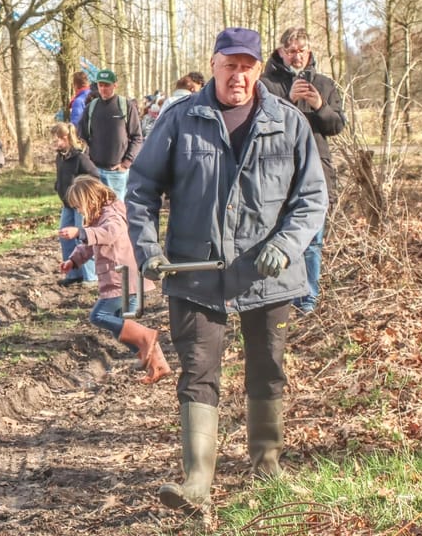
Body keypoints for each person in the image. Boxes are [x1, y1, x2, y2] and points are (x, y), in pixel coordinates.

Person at [126, 27, 327, 513]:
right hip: (195, 273)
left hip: (268, 273)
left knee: (268, 368)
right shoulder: (179, 120)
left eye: (247, 66)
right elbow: (141, 190)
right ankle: (197, 478)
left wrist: (286, 244)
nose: (238, 75)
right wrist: (148, 247)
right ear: (213, 65)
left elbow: (311, 197)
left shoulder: (289, 121)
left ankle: (267, 465)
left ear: (260, 69)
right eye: (229, 65)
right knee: (198, 372)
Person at [261, 27, 346, 316]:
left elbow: (336, 126)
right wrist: (287, 102)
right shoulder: (266, 83)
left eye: (302, 50)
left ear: (309, 51)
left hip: (317, 172)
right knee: (278, 233)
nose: (297, 56)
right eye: (291, 50)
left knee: (313, 239)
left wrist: (319, 105)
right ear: (281, 52)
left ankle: (307, 297)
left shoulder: (324, 84)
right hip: (277, 173)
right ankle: (280, 294)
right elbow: (259, 122)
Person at [60, 176, 171, 383]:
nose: (79, 212)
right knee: (122, 328)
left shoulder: (111, 213)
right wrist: (73, 261)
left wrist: (80, 231)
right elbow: (88, 244)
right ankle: (158, 365)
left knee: (99, 315)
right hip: (120, 279)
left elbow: (109, 233)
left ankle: (147, 337)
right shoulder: (97, 217)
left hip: (123, 279)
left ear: (89, 199)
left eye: (79, 206)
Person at [78, 69, 143, 201]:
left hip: (117, 173)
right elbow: (82, 138)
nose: (103, 89)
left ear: (115, 85)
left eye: (107, 85)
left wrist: (126, 163)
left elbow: (137, 137)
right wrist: (87, 163)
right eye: (100, 85)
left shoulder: (126, 106)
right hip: (94, 172)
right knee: (95, 213)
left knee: (115, 212)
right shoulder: (90, 108)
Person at [51, 122, 99, 287]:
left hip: (81, 205)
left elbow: (94, 175)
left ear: (65, 138)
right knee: (65, 237)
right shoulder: (60, 157)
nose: (54, 142)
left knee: (83, 238)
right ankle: (73, 273)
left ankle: (90, 276)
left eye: (56, 139)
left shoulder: (80, 158)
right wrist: (58, 185)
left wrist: (83, 194)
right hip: (67, 204)